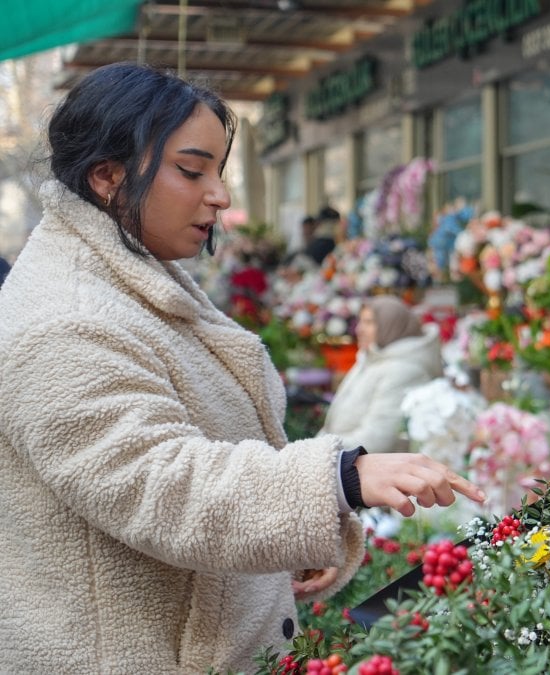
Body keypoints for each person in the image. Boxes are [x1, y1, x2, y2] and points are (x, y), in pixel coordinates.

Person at [0, 62, 484, 672]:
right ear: (107, 176)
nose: (221, 195)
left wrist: (294, 539)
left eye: (219, 171)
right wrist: (337, 481)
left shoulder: (131, 278)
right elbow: (161, 485)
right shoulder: (66, 320)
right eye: (191, 169)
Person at [320, 296, 444, 453]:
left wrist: (317, 452)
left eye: (369, 322)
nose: (359, 329)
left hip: (365, 468)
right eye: (360, 321)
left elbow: (376, 440)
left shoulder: (404, 370)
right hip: (340, 459)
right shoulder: (373, 358)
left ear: (391, 326)